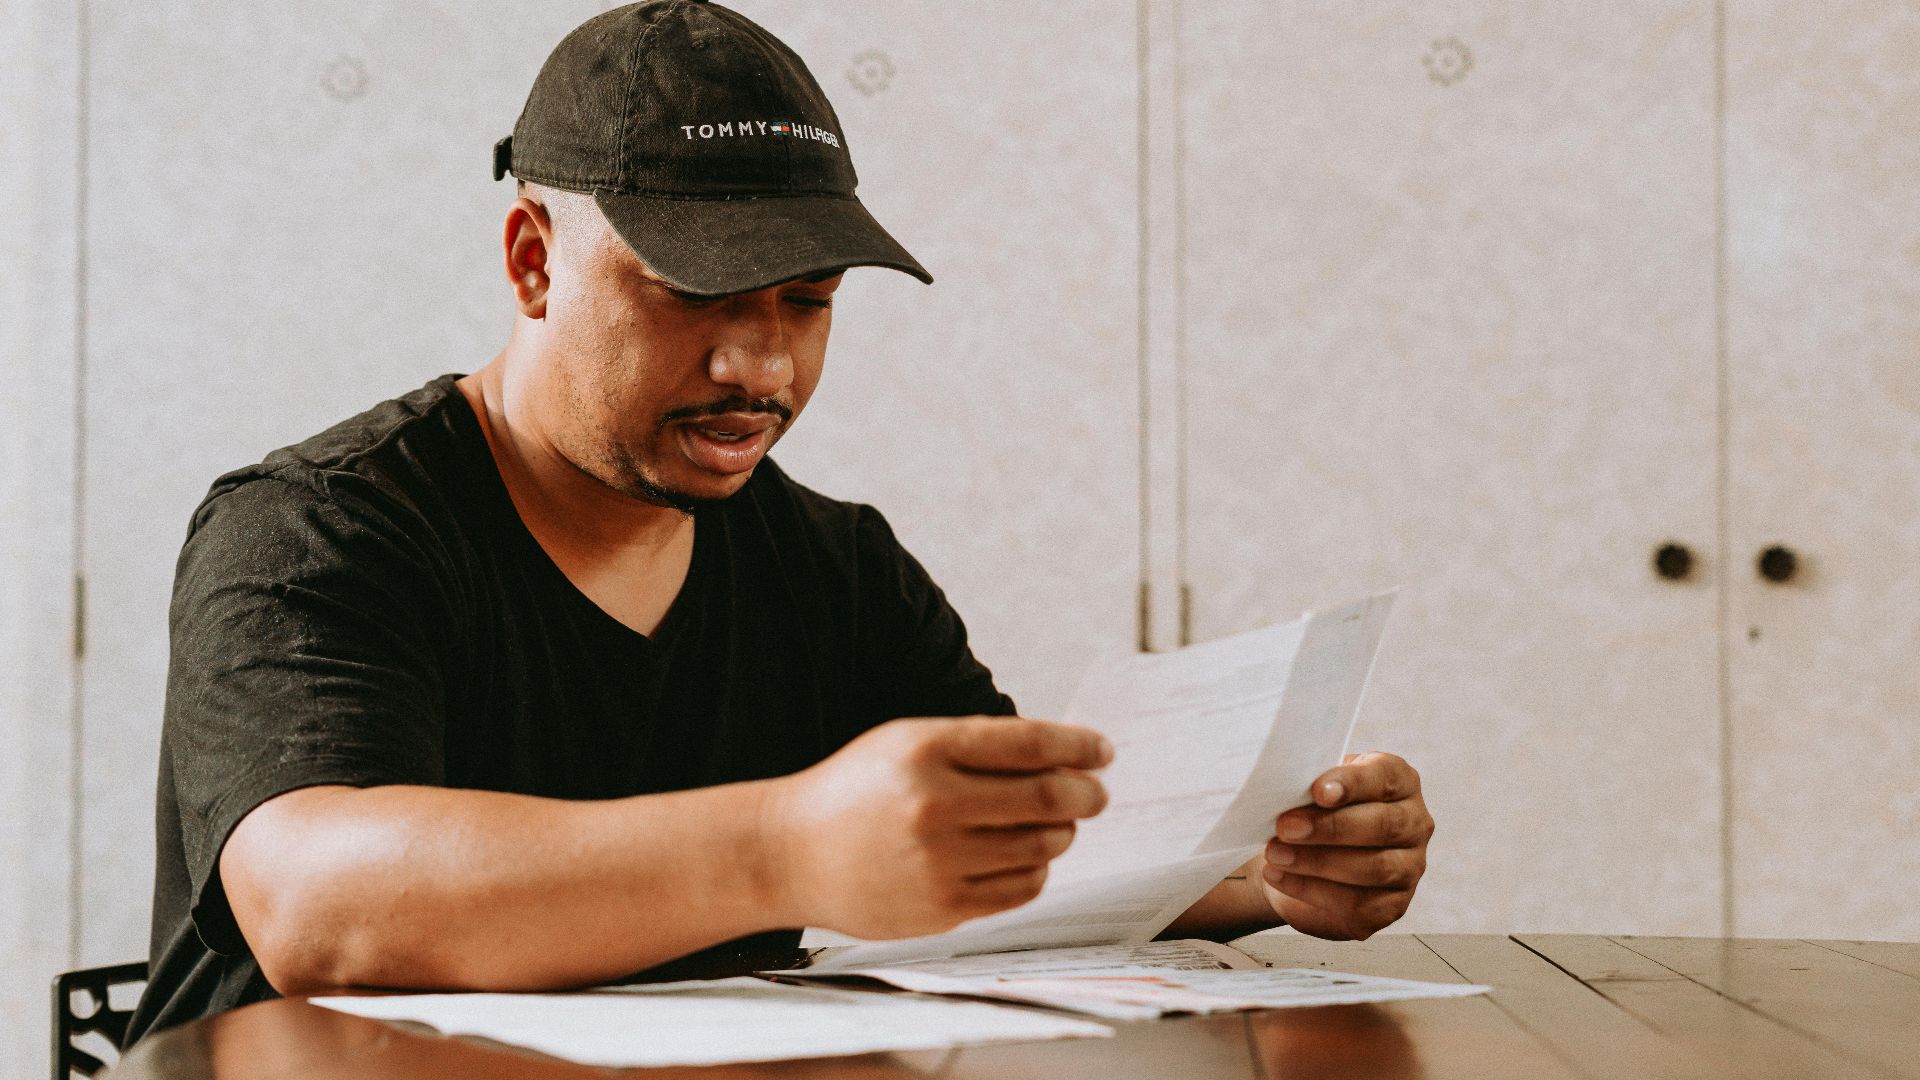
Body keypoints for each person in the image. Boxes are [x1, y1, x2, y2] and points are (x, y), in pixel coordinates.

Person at [126, 0, 1434, 1044]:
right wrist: (786, 845)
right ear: (532, 260)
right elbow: (320, 907)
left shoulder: (834, 566)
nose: (761, 368)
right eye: (701, 294)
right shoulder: (317, 529)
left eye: (806, 302)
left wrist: (1265, 872)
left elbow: (1005, 857)